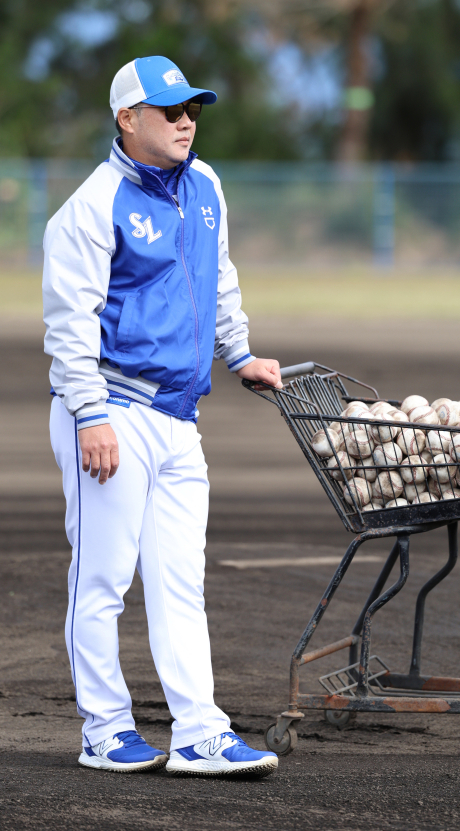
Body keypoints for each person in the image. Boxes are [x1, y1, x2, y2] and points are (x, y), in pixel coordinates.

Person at [43, 56, 281, 777]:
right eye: (170, 109)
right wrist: (89, 416)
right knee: (103, 580)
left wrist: (238, 352)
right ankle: (104, 728)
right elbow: (67, 324)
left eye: (192, 109)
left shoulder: (204, 185)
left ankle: (201, 732)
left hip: (180, 416)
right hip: (111, 410)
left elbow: (218, 275)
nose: (185, 121)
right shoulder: (90, 206)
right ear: (127, 118)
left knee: (180, 579)